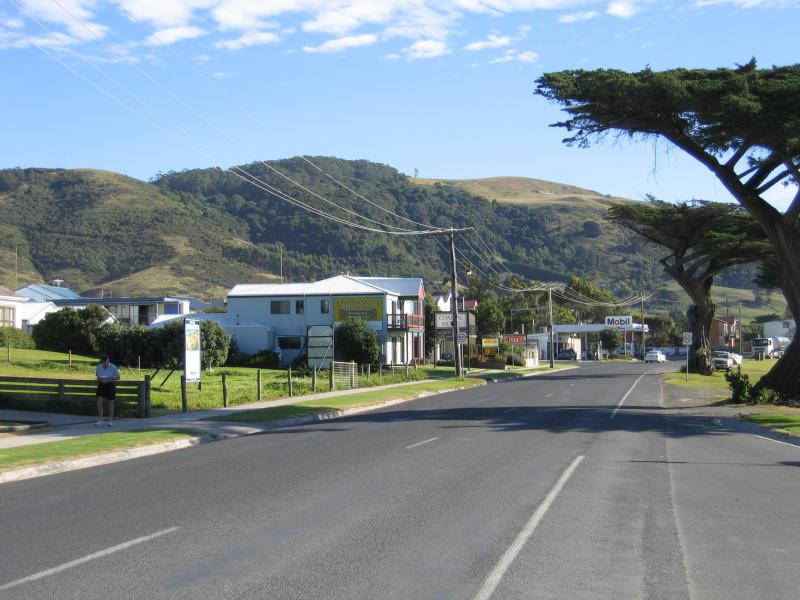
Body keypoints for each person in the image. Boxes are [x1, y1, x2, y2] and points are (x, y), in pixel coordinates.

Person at [95, 354, 120, 427]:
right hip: (102, 384)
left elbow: (118, 377)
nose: (103, 363)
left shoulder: (113, 367)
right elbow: (97, 377)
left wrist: (111, 378)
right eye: (102, 361)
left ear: (108, 360)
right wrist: (99, 378)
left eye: (104, 361)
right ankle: (101, 419)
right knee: (99, 401)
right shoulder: (99, 367)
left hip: (110, 384)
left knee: (110, 402)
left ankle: (110, 420)